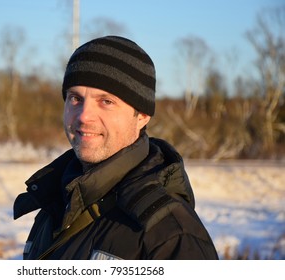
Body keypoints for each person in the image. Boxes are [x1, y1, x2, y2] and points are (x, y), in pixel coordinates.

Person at [13, 35, 219, 260]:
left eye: (106, 101)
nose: (84, 116)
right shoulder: (55, 204)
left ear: (141, 116)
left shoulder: (171, 235)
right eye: (75, 98)